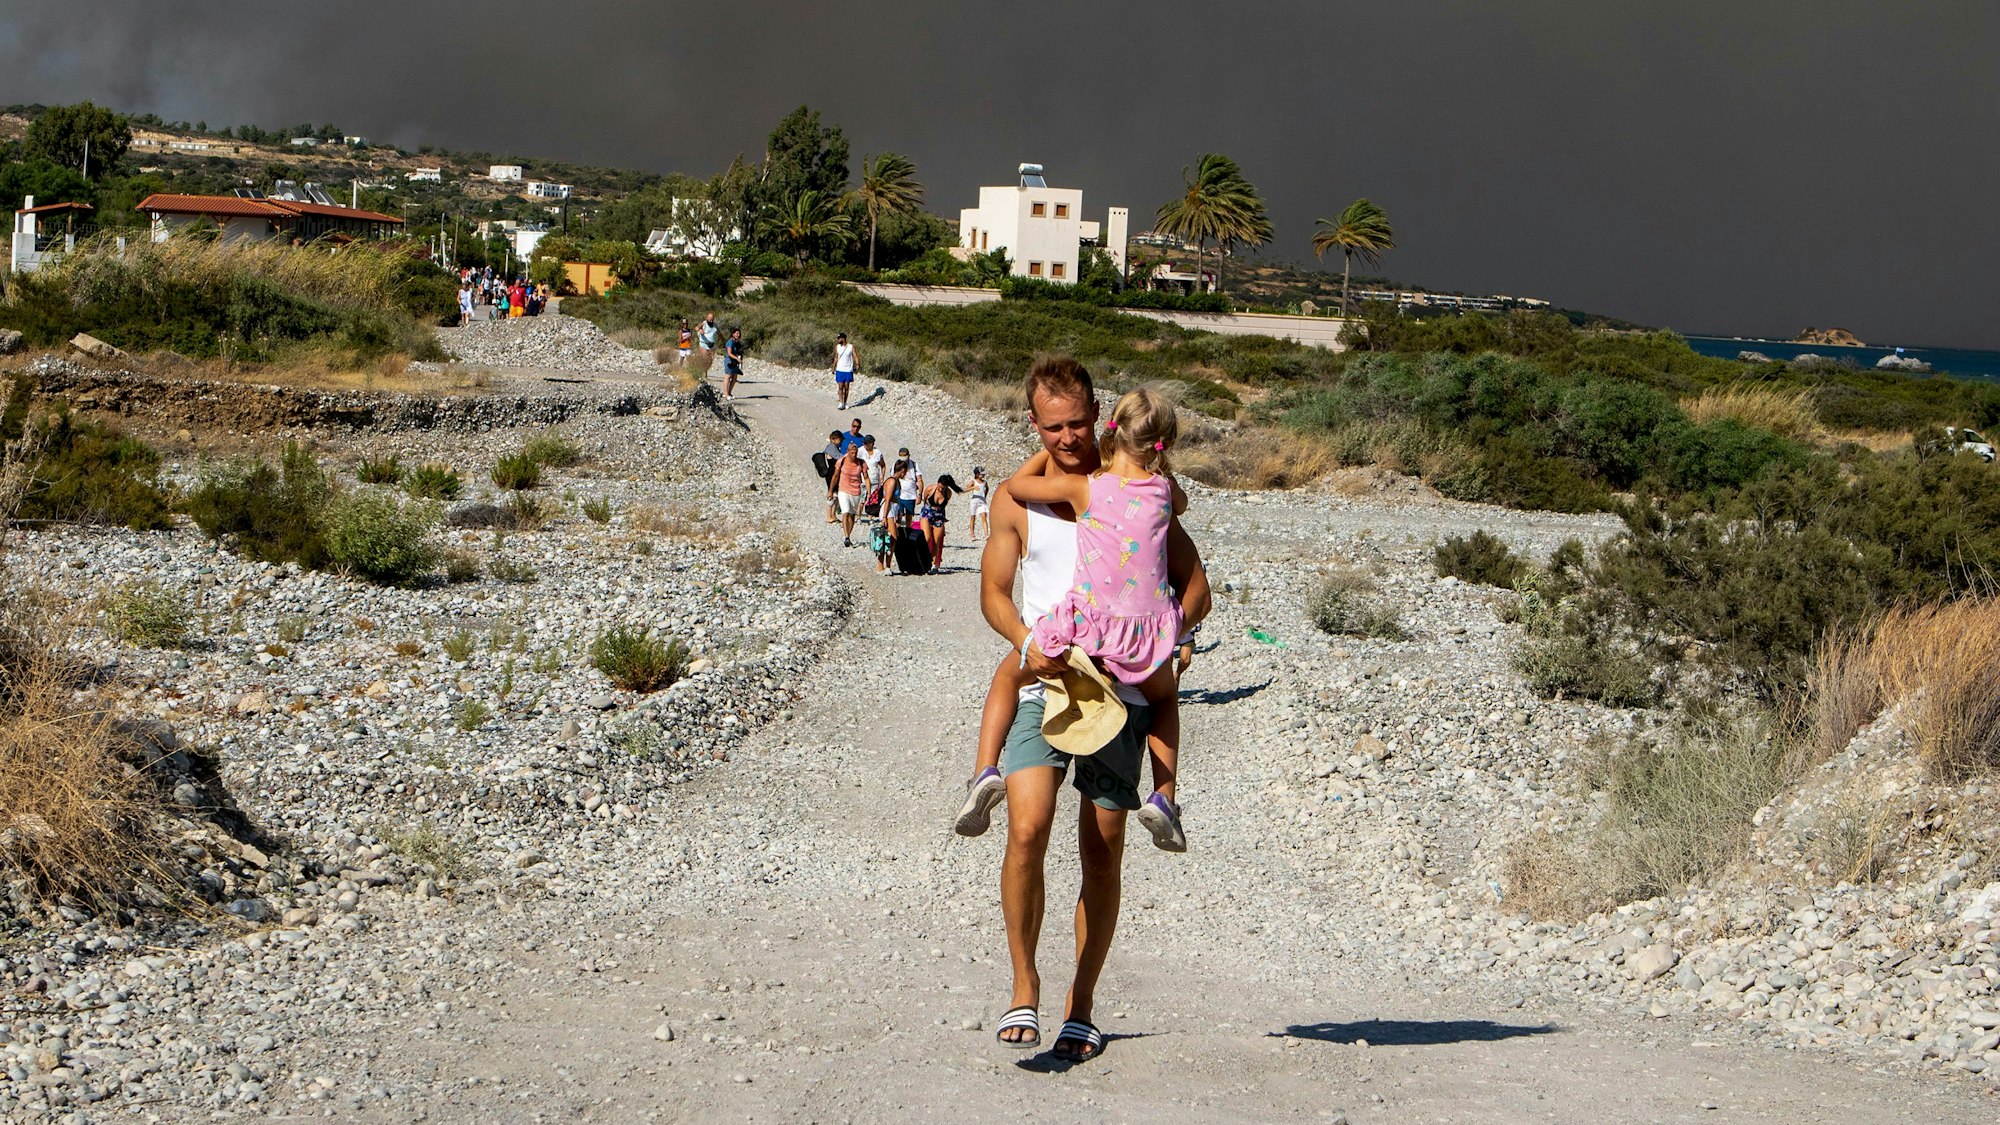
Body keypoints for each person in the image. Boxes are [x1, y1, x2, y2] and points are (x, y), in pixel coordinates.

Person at [973, 357, 1209, 1061]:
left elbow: (1196, 586)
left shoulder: (1134, 486)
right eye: (1054, 427)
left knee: (1101, 851)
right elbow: (992, 592)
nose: (1070, 437)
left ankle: (1082, 1003)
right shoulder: (1022, 500)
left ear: (1098, 413)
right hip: (1046, 679)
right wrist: (1023, 642)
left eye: (1080, 422)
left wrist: (1171, 638)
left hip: (1124, 693)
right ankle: (1024, 981)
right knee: (1026, 829)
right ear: (1034, 424)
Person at [913, 474, 963, 571]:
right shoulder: (930, 489)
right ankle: (920, 559)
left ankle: (933, 564)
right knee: (926, 537)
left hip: (939, 515)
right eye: (939, 486)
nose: (940, 489)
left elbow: (944, 506)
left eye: (943, 487)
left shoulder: (948, 493)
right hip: (927, 513)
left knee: (937, 541)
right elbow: (925, 499)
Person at [828, 444, 867, 547]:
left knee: (852, 514)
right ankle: (846, 537)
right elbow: (835, 476)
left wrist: (869, 491)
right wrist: (830, 490)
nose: (854, 455)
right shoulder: (841, 461)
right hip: (843, 489)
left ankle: (849, 535)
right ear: (848, 452)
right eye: (852, 453)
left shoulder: (861, 463)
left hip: (856, 490)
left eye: (855, 453)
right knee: (845, 512)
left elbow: (866, 477)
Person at [816, 430, 844, 524]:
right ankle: (829, 516)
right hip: (831, 474)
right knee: (831, 494)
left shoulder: (834, 447)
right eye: (839, 439)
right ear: (834, 439)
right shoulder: (831, 448)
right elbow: (838, 456)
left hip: (834, 473)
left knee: (836, 494)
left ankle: (833, 515)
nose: (841, 442)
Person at [831, 332, 859, 411]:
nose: (838, 340)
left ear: (843, 338)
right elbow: (836, 357)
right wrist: (833, 367)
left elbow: (855, 356)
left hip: (848, 369)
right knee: (840, 386)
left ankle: (845, 402)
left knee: (846, 387)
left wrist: (857, 364)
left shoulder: (851, 347)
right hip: (840, 369)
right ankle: (841, 402)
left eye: (839, 338)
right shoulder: (838, 347)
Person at [966, 466, 992, 541]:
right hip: (974, 500)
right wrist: (973, 488)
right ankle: (972, 534)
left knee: (984, 516)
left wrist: (985, 496)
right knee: (973, 517)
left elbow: (987, 489)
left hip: (982, 501)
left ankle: (986, 534)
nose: (983, 475)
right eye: (982, 474)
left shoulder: (984, 482)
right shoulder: (973, 481)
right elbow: (965, 489)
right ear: (977, 475)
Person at [722, 328, 744, 400]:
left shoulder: (736, 343)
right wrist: (737, 358)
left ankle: (729, 392)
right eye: (737, 333)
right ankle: (726, 394)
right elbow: (729, 353)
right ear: (733, 334)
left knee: (734, 377)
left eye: (739, 333)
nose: (738, 335)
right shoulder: (730, 342)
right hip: (729, 361)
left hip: (734, 361)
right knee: (728, 376)